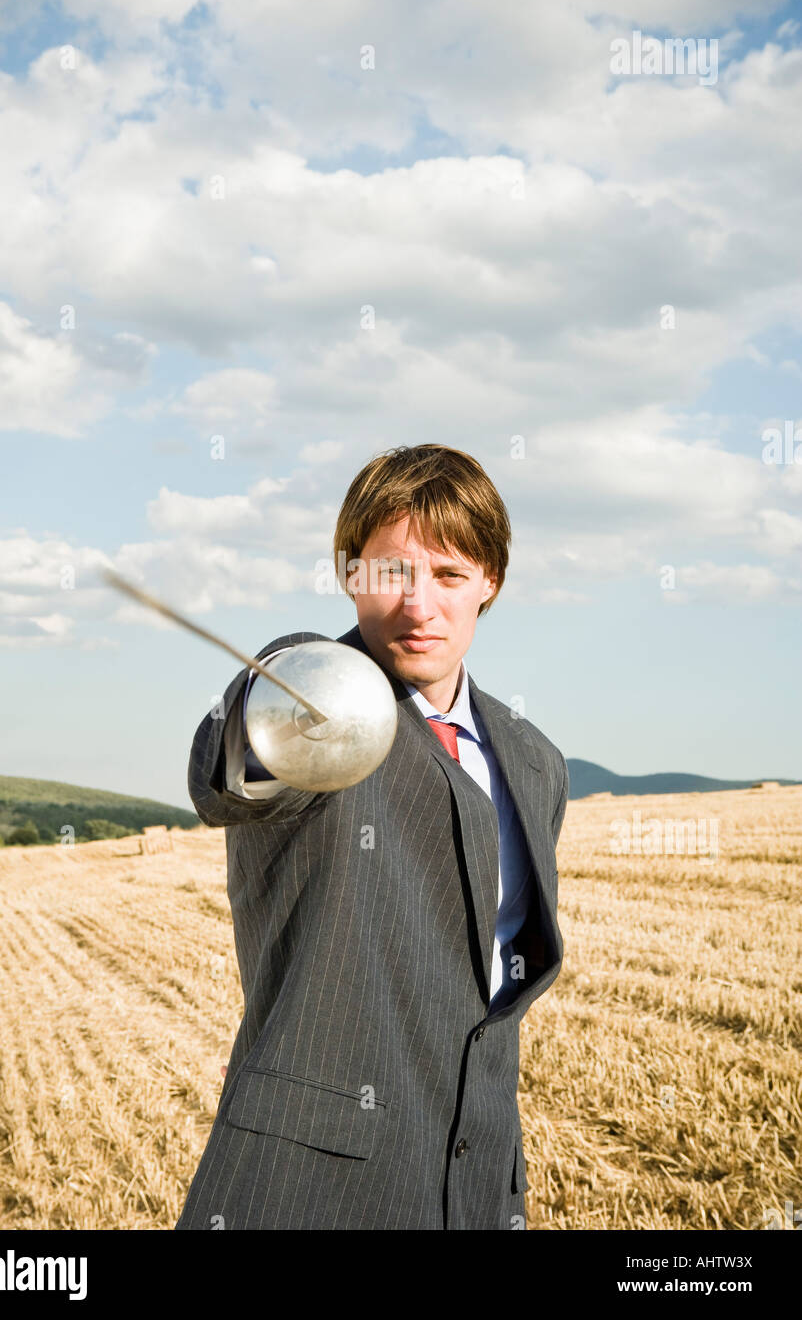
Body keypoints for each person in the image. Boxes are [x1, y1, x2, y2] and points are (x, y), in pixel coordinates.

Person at [175, 443, 567, 1230]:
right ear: (352, 576)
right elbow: (229, 775)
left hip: (478, 1186)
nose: (420, 606)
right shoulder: (316, 701)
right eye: (391, 574)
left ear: (490, 581)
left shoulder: (535, 761)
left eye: (451, 575)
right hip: (306, 1188)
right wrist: (273, 694)